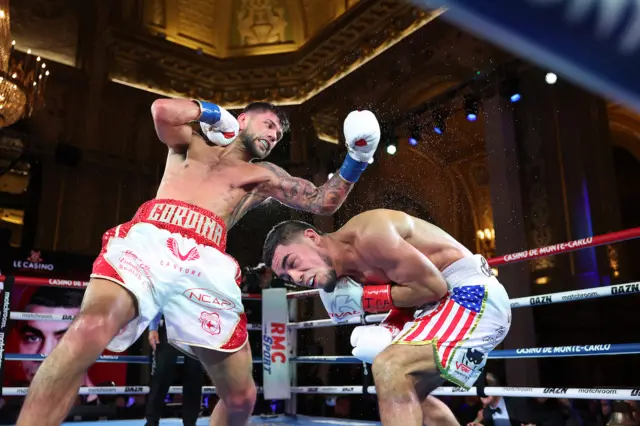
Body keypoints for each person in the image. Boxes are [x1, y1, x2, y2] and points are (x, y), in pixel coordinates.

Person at [16, 98, 380, 426]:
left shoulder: (264, 175)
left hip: (205, 264)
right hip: (151, 240)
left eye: (279, 133)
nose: (274, 135)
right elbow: (161, 111)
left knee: (241, 398)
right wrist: (212, 112)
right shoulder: (191, 142)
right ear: (243, 118)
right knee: (86, 332)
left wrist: (357, 157)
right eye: (269, 123)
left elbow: (322, 202)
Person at [262, 209, 512, 426]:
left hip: (471, 296)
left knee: (390, 367)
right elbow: (413, 297)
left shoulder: (370, 235)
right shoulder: (348, 273)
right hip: (438, 306)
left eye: (292, 262)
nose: (295, 278)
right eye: (287, 278)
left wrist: (365, 299)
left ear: (312, 237)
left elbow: (433, 288)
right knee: (407, 393)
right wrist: (390, 326)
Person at [144, 313, 204, 426]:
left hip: (195, 327)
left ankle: (190, 422)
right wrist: (153, 328)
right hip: (171, 325)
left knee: (194, 374)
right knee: (161, 375)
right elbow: (159, 300)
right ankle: (151, 421)